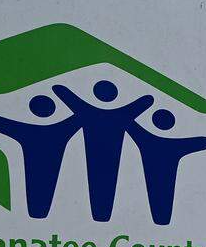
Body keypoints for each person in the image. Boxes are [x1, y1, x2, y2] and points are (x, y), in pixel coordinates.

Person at [51, 80, 153, 222]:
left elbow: (63, 93)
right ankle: (102, 216)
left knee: (100, 184)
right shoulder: (123, 114)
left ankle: (100, 216)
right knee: (105, 185)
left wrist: (61, 91)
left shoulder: (86, 111)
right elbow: (147, 101)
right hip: (108, 160)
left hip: (97, 159)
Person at [0, 94, 81, 218]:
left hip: (35, 169)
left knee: (37, 192)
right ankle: (38, 214)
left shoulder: (25, 130)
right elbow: (80, 116)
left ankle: (36, 214)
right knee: (44, 190)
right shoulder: (61, 129)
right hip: (49, 165)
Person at [126, 108, 206, 225]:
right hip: (165, 168)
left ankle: (161, 221)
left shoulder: (145, 138)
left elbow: (128, 122)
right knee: (162, 194)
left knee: (158, 193)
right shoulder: (176, 144)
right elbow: (205, 142)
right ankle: (162, 221)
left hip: (154, 166)